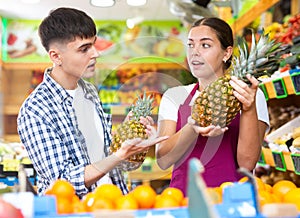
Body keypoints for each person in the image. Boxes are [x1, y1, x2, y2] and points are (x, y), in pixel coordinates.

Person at [17, 7, 167, 198]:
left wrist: (131, 139)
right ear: (56, 56)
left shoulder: (89, 92)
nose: (95, 53)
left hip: (115, 203)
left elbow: (116, 165)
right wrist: (119, 155)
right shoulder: (36, 110)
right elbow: (63, 182)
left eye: (94, 45)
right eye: (84, 49)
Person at [155, 17, 269, 196]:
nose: (195, 52)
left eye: (205, 45)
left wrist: (248, 109)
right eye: (191, 45)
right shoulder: (174, 96)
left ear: (226, 53)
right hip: (184, 203)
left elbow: (247, 164)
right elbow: (163, 160)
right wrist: (193, 127)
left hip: (233, 201)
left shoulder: (252, 96)